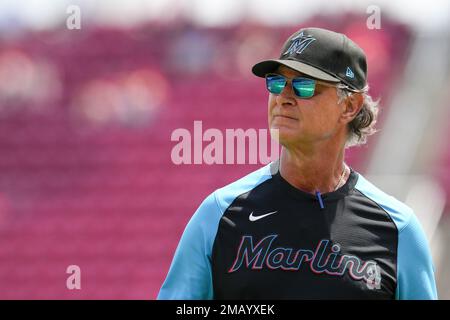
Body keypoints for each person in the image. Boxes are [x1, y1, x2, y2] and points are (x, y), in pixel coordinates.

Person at [157, 27, 438, 299]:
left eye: (304, 86)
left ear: (350, 106)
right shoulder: (219, 214)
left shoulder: (398, 230)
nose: (283, 98)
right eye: (276, 83)